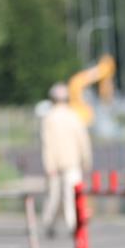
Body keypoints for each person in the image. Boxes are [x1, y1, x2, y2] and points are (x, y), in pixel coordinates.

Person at [40, 83, 93, 237]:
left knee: (53, 196)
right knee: (72, 196)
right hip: (72, 162)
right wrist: (86, 159)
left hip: (55, 164)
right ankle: (72, 224)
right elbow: (83, 140)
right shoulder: (74, 116)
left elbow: (47, 144)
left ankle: (49, 222)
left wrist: (49, 164)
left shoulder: (49, 118)